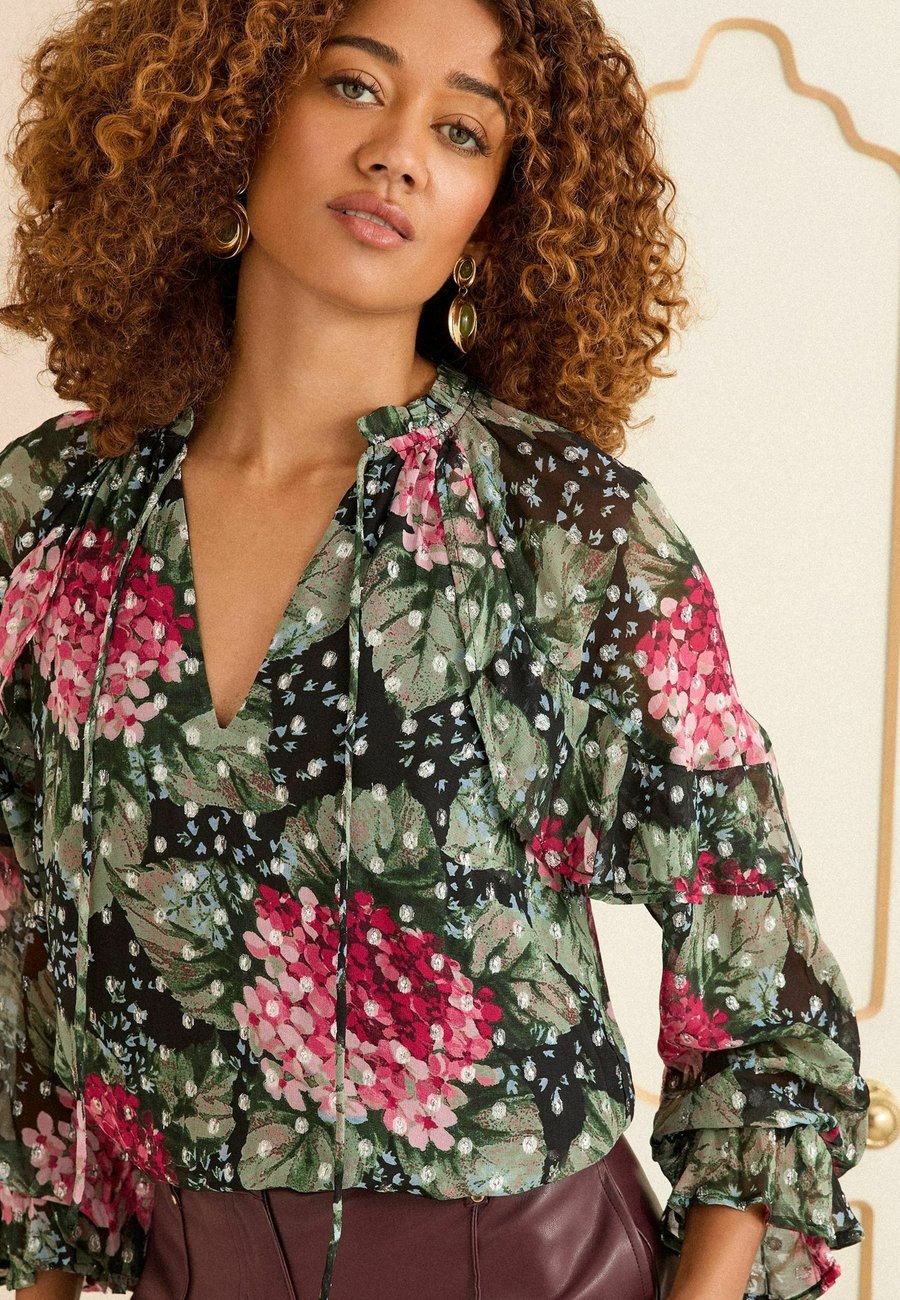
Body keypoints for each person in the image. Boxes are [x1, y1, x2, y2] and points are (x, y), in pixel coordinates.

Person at [0, 0, 869, 1298]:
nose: (399, 153)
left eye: (463, 130)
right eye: (354, 86)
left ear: (498, 211)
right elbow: (25, 971)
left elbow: (765, 997)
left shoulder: (567, 526)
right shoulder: (57, 509)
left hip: (534, 1269)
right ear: (233, 114)